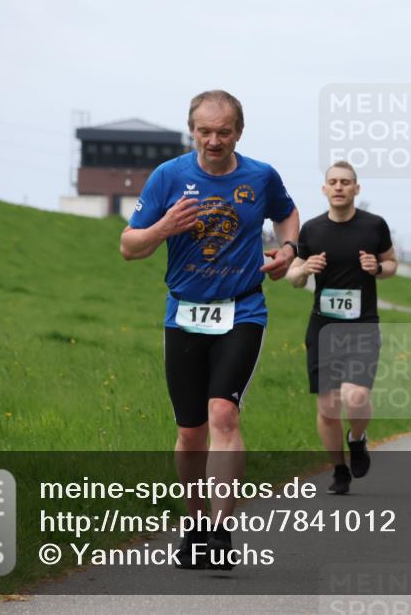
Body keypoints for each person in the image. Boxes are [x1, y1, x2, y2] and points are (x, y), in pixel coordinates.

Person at [120, 90, 299, 569]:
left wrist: (288, 250)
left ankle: (221, 530)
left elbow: (286, 212)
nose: (214, 140)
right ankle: (195, 524)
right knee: (190, 432)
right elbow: (129, 246)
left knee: (224, 414)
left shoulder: (260, 176)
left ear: (239, 132)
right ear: (191, 130)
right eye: (205, 131)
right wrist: (162, 229)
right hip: (184, 313)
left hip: (242, 311)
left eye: (224, 131)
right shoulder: (169, 177)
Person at [286, 161, 397, 495]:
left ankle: (358, 438)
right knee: (328, 406)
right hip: (323, 327)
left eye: (345, 182)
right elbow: (293, 277)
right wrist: (305, 268)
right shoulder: (312, 230)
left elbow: (391, 263)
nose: (338, 187)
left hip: (362, 324)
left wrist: (377, 267)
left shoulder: (374, 226)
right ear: (324, 189)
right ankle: (339, 469)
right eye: (332, 182)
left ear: (356, 189)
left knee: (357, 395)